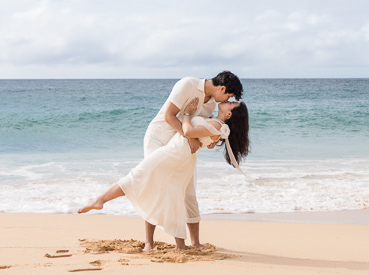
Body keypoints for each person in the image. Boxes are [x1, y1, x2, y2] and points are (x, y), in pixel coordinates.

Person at [78, 98, 250, 250]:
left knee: (137, 176)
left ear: (229, 114)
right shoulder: (215, 123)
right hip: (180, 156)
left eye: (232, 103)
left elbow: (189, 132)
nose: (229, 100)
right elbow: (203, 140)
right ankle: (180, 244)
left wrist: (187, 114)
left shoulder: (217, 126)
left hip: (174, 154)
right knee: (173, 197)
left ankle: (99, 201)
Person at [141, 71, 243, 248]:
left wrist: (209, 140)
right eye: (228, 95)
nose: (225, 100)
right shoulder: (187, 85)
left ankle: (195, 242)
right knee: (158, 187)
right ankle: (149, 242)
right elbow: (169, 116)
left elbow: (201, 127)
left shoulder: (211, 104)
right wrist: (190, 137)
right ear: (222, 88)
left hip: (182, 146)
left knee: (188, 191)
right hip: (159, 139)